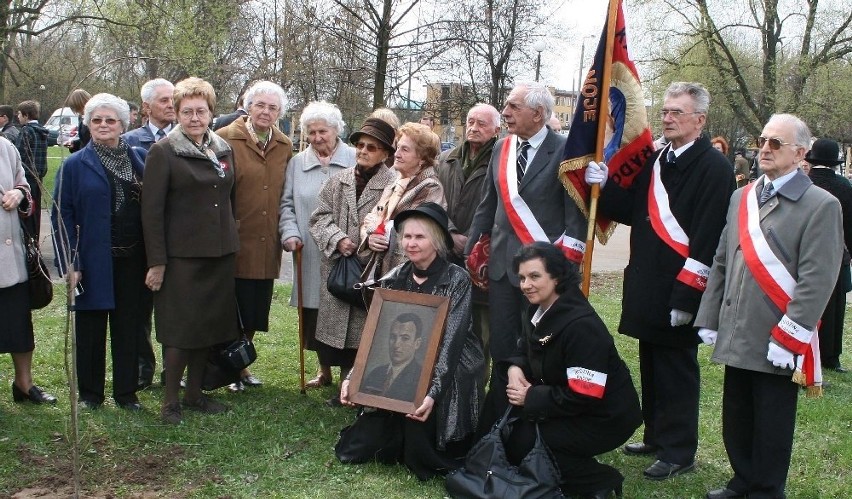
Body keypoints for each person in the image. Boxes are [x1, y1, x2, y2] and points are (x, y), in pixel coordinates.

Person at [584, 82, 735, 480]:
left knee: (676, 370)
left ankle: (679, 449)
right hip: (648, 278)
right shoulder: (657, 159)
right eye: (665, 111)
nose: (667, 118)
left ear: (699, 120)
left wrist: (688, 297)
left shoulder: (714, 168)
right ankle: (655, 434)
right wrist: (605, 184)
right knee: (652, 362)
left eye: (676, 113)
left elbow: (707, 237)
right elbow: (633, 210)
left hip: (679, 283)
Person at [694, 114, 843, 499]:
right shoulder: (742, 197)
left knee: (772, 421)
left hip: (777, 331)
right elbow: (723, 259)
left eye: (776, 143)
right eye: (763, 140)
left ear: (800, 153)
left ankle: (765, 488)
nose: (764, 148)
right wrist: (710, 316)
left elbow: (818, 279)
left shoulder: (821, 204)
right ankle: (742, 479)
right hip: (738, 326)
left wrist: (791, 334)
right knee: (737, 415)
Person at [465, 82, 586, 428]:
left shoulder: (566, 151)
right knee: (503, 345)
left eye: (514, 106)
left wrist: (567, 271)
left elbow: (574, 217)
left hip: (543, 275)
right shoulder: (502, 150)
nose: (505, 113)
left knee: (540, 345)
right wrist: (472, 250)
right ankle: (499, 414)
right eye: (506, 106)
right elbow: (487, 207)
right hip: (503, 271)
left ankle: (534, 413)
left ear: (538, 113)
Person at [339, 203, 485, 480]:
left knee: (420, 449)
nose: (411, 243)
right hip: (403, 359)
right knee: (360, 448)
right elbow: (377, 333)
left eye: (420, 237)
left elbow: (452, 341)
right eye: (407, 236)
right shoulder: (395, 277)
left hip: (449, 365)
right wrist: (354, 377)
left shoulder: (458, 279)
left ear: (437, 240)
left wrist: (433, 393)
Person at [500, 242, 641, 498]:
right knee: (515, 437)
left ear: (556, 276)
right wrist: (514, 368)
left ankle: (600, 481)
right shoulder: (537, 310)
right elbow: (526, 349)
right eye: (521, 278)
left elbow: (585, 394)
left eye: (534, 276)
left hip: (604, 418)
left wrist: (531, 397)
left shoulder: (581, 327)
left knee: (526, 444)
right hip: (567, 405)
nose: (525, 285)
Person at [141, 77, 238, 424]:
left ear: (211, 113)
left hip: (220, 256)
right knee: (180, 331)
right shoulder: (163, 152)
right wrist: (157, 262)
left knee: (208, 328)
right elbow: (151, 214)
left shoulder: (224, 149)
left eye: (201, 111)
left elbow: (231, 200)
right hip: (182, 259)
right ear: (176, 114)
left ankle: (195, 395)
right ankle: (170, 402)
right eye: (187, 111)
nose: (194, 117)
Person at [51, 93, 152, 410]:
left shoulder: (139, 160)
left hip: (133, 259)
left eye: (110, 120)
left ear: (123, 124)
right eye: (97, 120)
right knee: (91, 326)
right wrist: (70, 261)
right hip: (90, 262)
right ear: (88, 124)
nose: (104, 125)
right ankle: (90, 395)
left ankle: (126, 393)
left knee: (129, 326)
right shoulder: (74, 165)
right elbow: (60, 215)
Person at [309, 117, 397, 403]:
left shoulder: (393, 185)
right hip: (340, 268)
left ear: (385, 153)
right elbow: (319, 217)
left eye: (372, 147)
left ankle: (361, 387)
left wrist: (368, 243)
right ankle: (345, 387)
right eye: (360, 145)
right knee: (340, 333)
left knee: (365, 329)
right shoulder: (339, 180)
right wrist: (338, 239)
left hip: (373, 270)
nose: (363, 151)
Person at [217, 80, 292, 392]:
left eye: (272, 107)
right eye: (260, 105)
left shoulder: (285, 146)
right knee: (227, 307)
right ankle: (223, 369)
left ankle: (242, 364)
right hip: (232, 238)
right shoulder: (223, 139)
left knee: (254, 310)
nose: (265, 111)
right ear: (248, 107)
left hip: (265, 241)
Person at [279, 101, 355, 389]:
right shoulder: (297, 163)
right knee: (313, 311)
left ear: (336, 130)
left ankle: (348, 372)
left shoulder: (353, 158)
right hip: (309, 251)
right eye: (311, 132)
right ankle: (324, 371)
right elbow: (286, 204)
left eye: (322, 131)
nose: (317, 138)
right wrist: (289, 232)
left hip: (345, 250)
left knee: (345, 309)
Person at [435, 103, 501, 371]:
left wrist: (471, 240)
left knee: (480, 328)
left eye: (482, 123)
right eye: (471, 122)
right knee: (444, 321)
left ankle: (476, 390)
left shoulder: (503, 160)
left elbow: (499, 208)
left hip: (483, 256)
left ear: (497, 129)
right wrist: (450, 233)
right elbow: (435, 199)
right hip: (446, 251)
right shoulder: (446, 159)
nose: (474, 128)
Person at [1, 135, 57, 405]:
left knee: (19, 324)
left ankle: (24, 384)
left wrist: (19, 193)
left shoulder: (5, 147)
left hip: (9, 257)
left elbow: (24, 186)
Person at [362, 121, 446, 277]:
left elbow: (412, 231)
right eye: (398, 147)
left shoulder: (430, 187)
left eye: (405, 149)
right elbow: (371, 219)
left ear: (422, 158)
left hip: (410, 274)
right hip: (383, 270)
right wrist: (369, 238)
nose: (397, 154)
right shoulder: (396, 181)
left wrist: (375, 226)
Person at [805, 138, 851, 374]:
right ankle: (831, 356)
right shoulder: (845, 186)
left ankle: (803, 348)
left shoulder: (802, 182)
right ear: (834, 162)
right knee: (834, 307)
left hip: (803, 253)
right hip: (835, 255)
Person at [361, 313, 424, 400]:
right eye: (393, 337)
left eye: (405, 338)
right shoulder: (375, 373)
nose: (396, 345)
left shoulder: (421, 378)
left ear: (417, 343)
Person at [14, 100, 48, 241]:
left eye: (20, 114)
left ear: (26, 115)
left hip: (27, 177)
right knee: (36, 211)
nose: (18, 117)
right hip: (38, 176)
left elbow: (20, 156)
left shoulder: (26, 131)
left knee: (27, 209)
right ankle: (34, 239)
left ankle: (28, 240)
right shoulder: (42, 131)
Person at [123, 78, 176, 151]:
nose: (171, 105)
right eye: (164, 101)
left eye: (174, 100)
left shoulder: (188, 138)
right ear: (147, 107)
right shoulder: (127, 141)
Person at [64, 89, 92, 153]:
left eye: (78, 107)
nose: (77, 111)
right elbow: (84, 140)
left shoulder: (95, 119)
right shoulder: (82, 118)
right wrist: (73, 144)